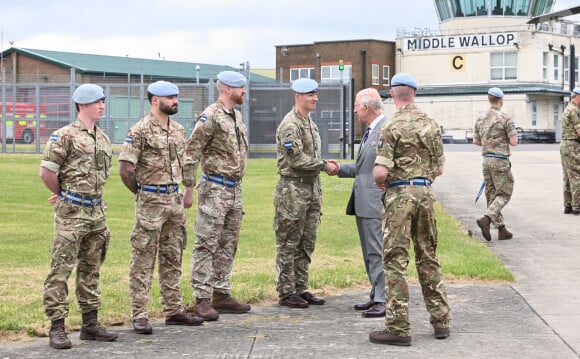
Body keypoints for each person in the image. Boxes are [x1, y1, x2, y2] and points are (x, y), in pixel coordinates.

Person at [369, 73, 450, 346]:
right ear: (414, 92)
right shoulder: (431, 124)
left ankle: (398, 326)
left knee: (395, 259)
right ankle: (440, 321)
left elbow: (381, 172)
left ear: (393, 94)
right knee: (427, 256)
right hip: (425, 193)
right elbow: (439, 168)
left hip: (399, 196)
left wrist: (382, 181)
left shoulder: (391, 126)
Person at [119, 80, 203, 335]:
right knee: (143, 259)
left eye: (177, 97)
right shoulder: (140, 130)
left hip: (174, 202)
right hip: (151, 203)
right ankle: (140, 315)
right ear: (155, 100)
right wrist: (144, 193)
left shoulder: (178, 129)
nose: (176, 101)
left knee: (173, 256)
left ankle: (174, 310)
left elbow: (187, 163)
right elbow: (126, 169)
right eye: (171, 98)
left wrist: (188, 190)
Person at [39, 83, 118, 349]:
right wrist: (62, 194)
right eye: (96, 101)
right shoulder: (64, 136)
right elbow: (47, 172)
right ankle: (57, 327)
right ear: (82, 104)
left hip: (96, 212)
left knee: (91, 269)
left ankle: (90, 323)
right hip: (72, 213)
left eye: (103, 101)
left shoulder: (103, 138)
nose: (101, 105)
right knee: (61, 269)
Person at [184, 71, 251, 321]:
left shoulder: (236, 115)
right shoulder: (210, 116)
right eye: (240, 87)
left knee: (228, 243)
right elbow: (192, 151)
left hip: (234, 189)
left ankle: (221, 293)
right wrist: (189, 188)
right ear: (226, 90)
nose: (244, 91)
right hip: (214, 188)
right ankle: (201, 297)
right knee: (207, 242)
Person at [273, 78, 336, 308]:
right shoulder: (290, 125)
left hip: (309, 189)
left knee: (306, 241)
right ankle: (286, 291)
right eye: (311, 94)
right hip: (292, 191)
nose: (315, 98)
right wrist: (323, 165)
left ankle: (301, 287)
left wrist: (318, 190)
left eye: (316, 94)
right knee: (289, 241)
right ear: (298, 96)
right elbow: (296, 159)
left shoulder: (309, 122)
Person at [326, 88, 387, 318]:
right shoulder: (371, 131)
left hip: (375, 201)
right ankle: (376, 294)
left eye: (355, 106)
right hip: (364, 201)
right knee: (369, 252)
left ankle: (383, 297)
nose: (353, 111)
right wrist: (339, 168)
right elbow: (364, 168)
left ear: (366, 108)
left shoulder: (385, 130)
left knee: (377, 250)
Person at [473, 87, 518, 241]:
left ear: (489, 99)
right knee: (504, 193)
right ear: (501, 100)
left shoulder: (480, 117)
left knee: (491, 194)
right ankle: (487, 219)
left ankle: (501, 229)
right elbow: (514, 142)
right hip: (500, 160)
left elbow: (476, 141)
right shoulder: (505, 117)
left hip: (486, 161)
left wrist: (489, 144)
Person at [560, 87, 580, 215]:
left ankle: (568, 205)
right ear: (578, 96)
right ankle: (577, 206)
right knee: (577, 175)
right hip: (573, 145)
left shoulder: (568, 108)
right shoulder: (574, 110)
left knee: (568, 176)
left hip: (565, 144)